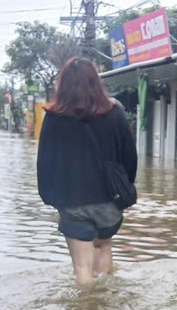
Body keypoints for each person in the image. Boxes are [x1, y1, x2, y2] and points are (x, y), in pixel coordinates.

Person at [37, 57, 138, 287]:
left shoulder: (54, 116)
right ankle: (105, 308)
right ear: (96, 82)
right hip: (109, 198)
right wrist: (125, 188)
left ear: (63, 84)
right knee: (103, 247)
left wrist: (49, 196)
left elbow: (45, 161)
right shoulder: (115, 112)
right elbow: (129, 156)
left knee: (82, 266)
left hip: (72, 200)